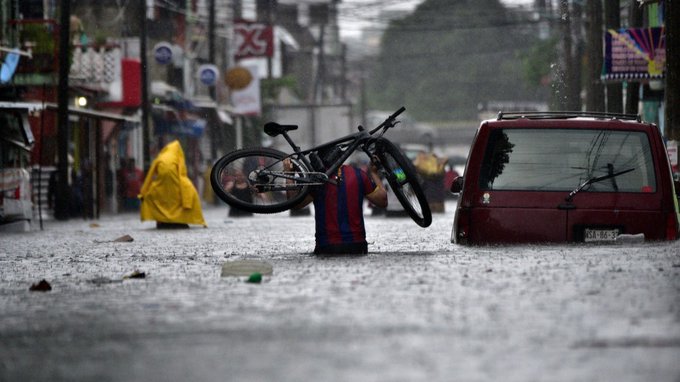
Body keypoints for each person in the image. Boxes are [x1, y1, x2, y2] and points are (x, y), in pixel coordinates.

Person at [284, 148, 387, 255]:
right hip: (357, 245)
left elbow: (295, 205)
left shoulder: (317, 180)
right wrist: (374, 173)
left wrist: (289, 175)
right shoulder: (359, 175)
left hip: (327, 246)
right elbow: (383, 201)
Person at [139, 140, 206, 228]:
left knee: (150, 196)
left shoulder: (160, 157)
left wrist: (143, 193)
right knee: (191, 194)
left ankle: (162, 220)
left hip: (160, 187)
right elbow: (182, 173)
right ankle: (181, 220)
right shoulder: (177, 157)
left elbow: (149, 176)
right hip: (176, 186)